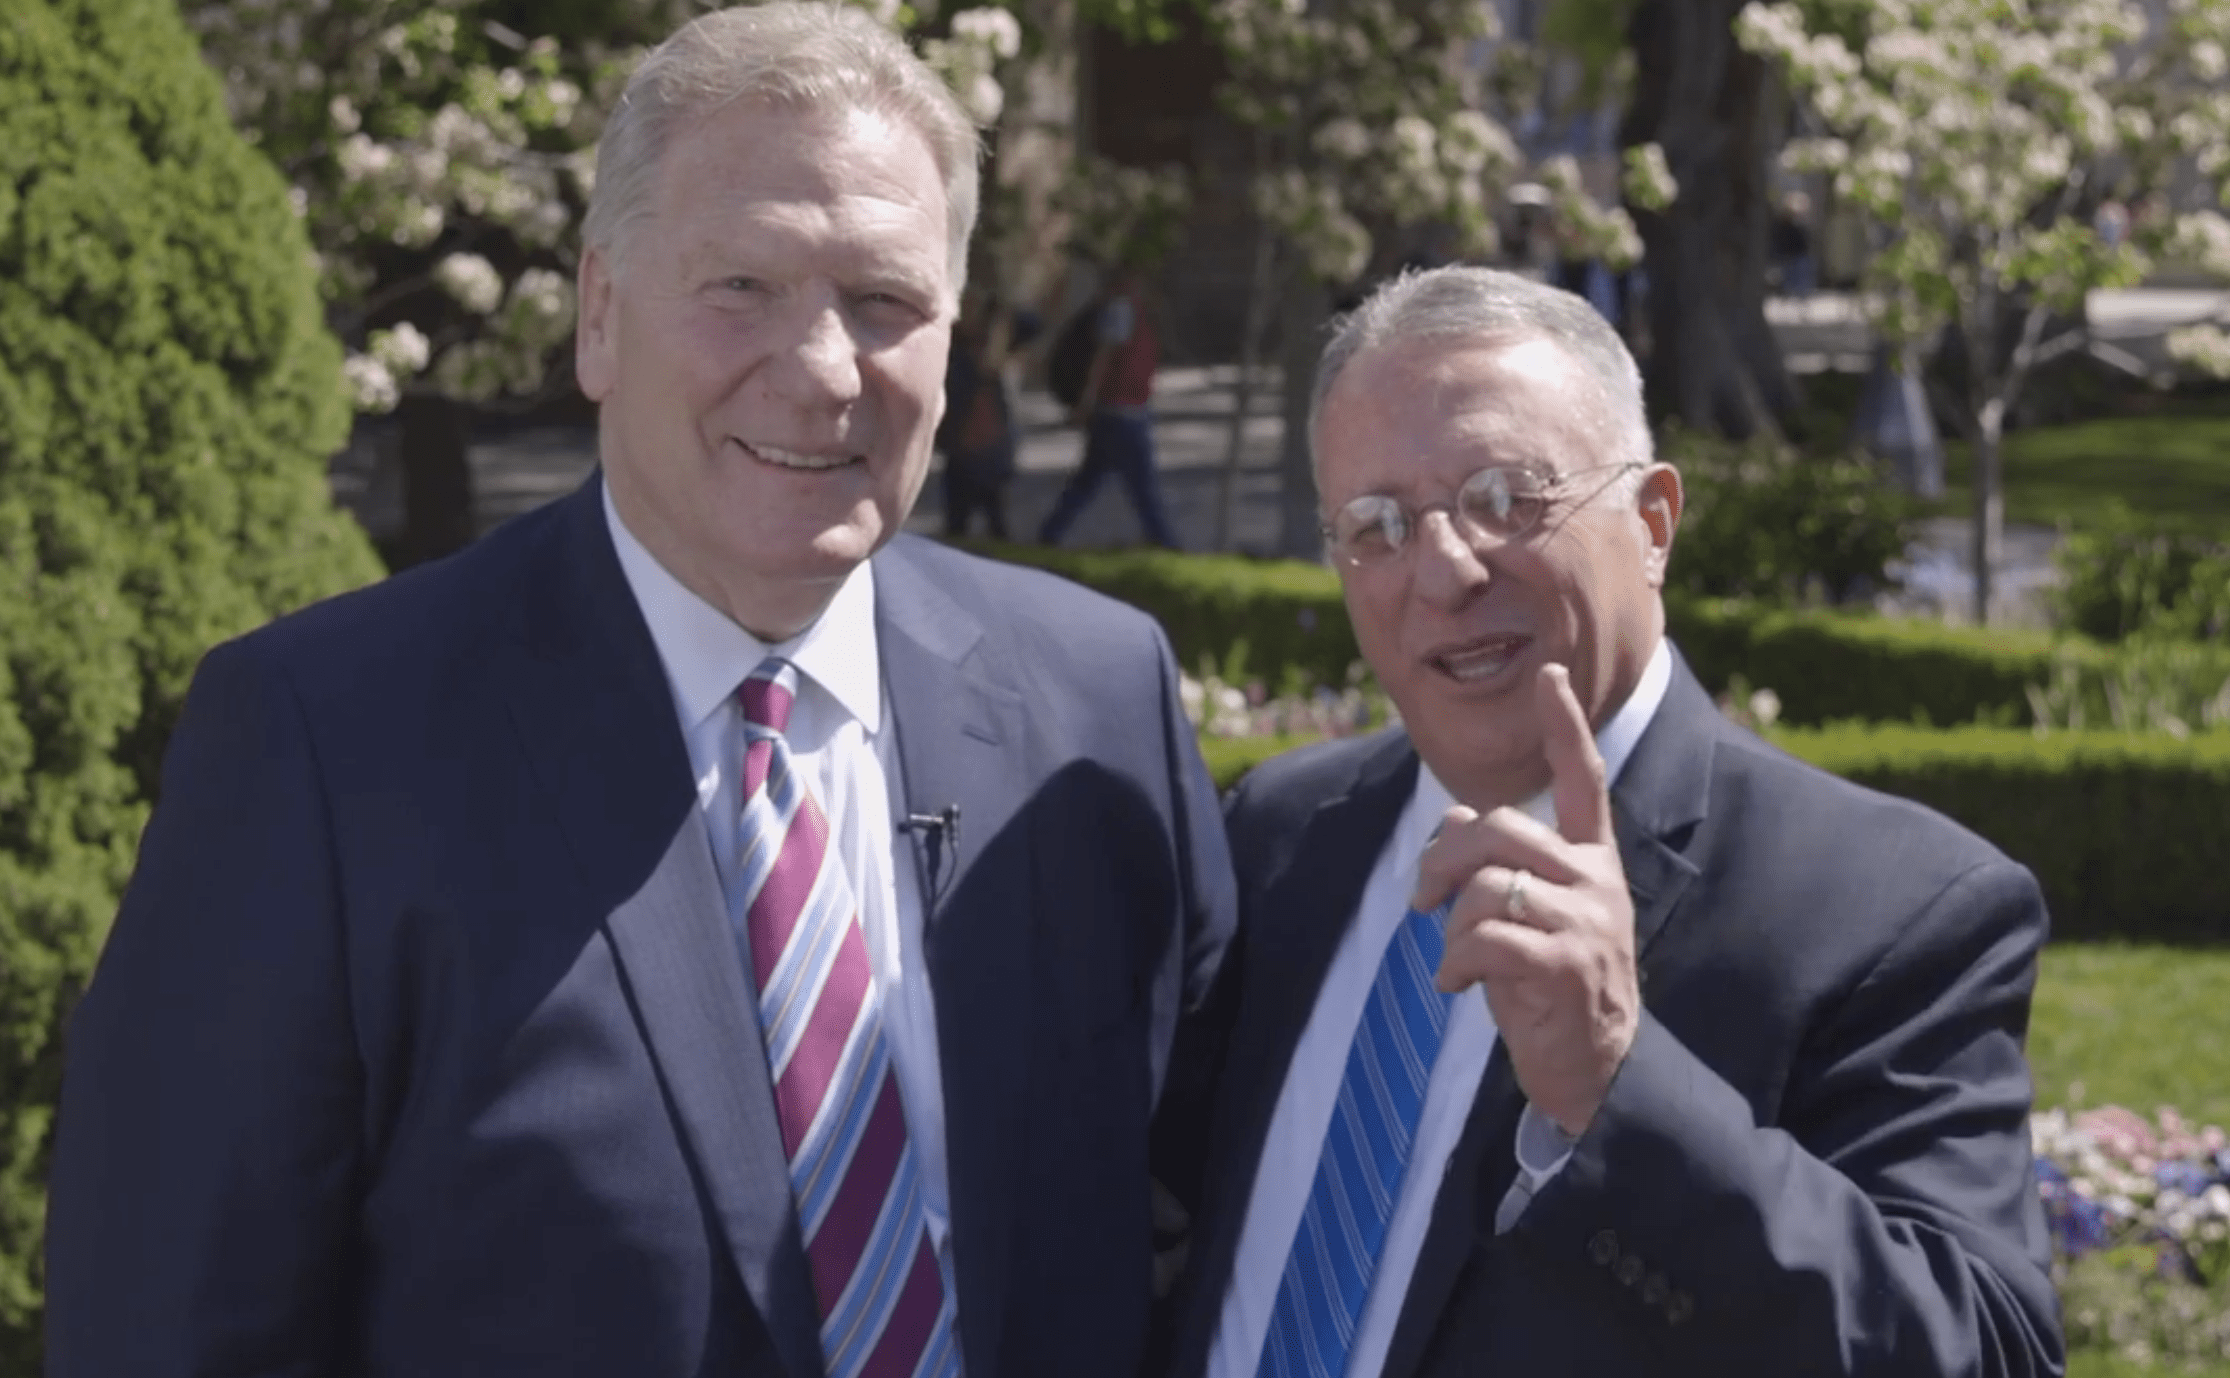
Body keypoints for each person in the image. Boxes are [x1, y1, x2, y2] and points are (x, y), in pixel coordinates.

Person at [43, 7, 1236, 1377]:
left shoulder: (1095, 702)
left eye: (885, 302)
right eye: (742, 284)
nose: (823, 369)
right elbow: (173, 1327)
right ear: (598, 316)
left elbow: (1214, 1229)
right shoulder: (325, 746)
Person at [1160, 267, 2061, 1378]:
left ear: (1652, 522)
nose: (1443, 570)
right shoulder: (1284, 833)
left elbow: (1983, 1352)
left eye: (1504, 496)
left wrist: (1617, 1088)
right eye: (1376, 525)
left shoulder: (1892, 909)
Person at [1037, 262, 1180, 549]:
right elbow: (1102, 360)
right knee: (1140, 484)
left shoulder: (1133, 311)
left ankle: (1050, 533)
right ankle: (1164, 541)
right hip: (1120, 411)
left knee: (1092, 479)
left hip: (1125, 409)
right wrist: (1086, 402)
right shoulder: (1121, 311)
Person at [936, 283, 1033, 538]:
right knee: (960, 521)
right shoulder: (955, 351)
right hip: (965, 442)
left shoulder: (990, 352)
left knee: (992, 516)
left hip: (988, 442)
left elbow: (1031, 325)